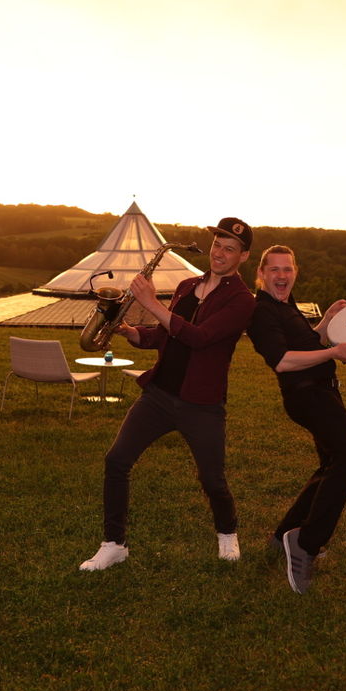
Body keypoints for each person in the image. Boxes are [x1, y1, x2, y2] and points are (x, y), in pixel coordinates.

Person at [79, 217, 257, 571]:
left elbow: (199, 338)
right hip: (159, 395)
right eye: (217, 245)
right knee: (117, 460)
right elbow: (166, 335)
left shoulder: (242, 301)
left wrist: (151, 302)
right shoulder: (188, 286)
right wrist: (132, 332)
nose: (219, 253)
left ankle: (227, 533)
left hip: (201, 404)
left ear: (243, 256)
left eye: (229, 249)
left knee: (212, 479)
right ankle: (114, 544)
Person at [245, 244, 346, 594]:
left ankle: (282, 536)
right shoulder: (261, 311)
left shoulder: (287, 305)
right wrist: (334, 352)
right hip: (308, 396)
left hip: (321, 392)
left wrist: (327, 322)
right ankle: (306, 543)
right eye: (274, 269)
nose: (282, 275)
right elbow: (282, 360)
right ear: (261, 274)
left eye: (288, 269)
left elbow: (309, 342)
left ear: (295, 272)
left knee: (331, 463)